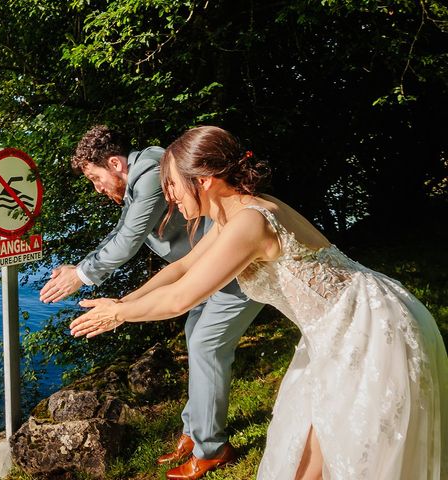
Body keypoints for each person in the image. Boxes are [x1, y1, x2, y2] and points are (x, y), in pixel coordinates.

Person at [70, 125, 448, 480]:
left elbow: (182, 297)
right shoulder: (233, 216)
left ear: (203, 181)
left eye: (171, 184)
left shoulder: (251, 223)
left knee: (353, 455)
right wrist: (122, 300)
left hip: (369, 330)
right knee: (308, 454)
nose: (167, 195)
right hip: (336, 331)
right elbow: (183, 267)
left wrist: (119, 314)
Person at [40, 125, 263, 479]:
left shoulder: (152, 173)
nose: (97, 188)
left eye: (96, 178)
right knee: (196, 337)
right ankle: (195, 432)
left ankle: (212, 449)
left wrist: (84, 279)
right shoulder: (141, 179)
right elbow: (131, 236)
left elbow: (130, 239)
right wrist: (101, 283)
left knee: (206, 343)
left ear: (114, 163)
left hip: (232, 265)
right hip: (203, 265)